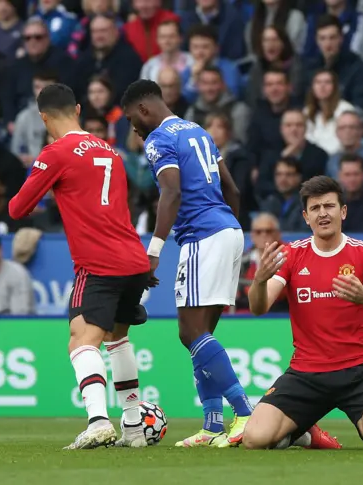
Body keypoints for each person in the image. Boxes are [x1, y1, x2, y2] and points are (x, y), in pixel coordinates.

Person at [8, 84, 151, 450]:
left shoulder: (55, 153)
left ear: (43, 118)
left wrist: (50, 184)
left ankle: (99, 421)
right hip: (134, 258)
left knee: (80, 340)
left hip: (98, 262)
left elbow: (17, 209)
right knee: (117, 339)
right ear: (77, 108)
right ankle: (134, 426)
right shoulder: (111, 150)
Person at [121, 79, 252, 448]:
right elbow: (234, 191)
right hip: (229, 231)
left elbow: (172, 192)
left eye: (133, 119)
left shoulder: (158, 139)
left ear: (145, 109)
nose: (133, 128)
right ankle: (212, 426)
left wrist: (154, 251)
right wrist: (230, 230)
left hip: (202, 236)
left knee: (191, 333)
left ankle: (244, 412)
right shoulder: (199, 131)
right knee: (198, 334)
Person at [243, 175, 363, 451]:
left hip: (358, 370)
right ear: (306, 217)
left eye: (329, 206)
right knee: (254, 439)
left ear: (343, 211)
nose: (323, 214)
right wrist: (259, 281)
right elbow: (258, 308)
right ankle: (305, 433)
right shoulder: (291, 254)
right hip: (306, 372)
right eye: (315, 208)